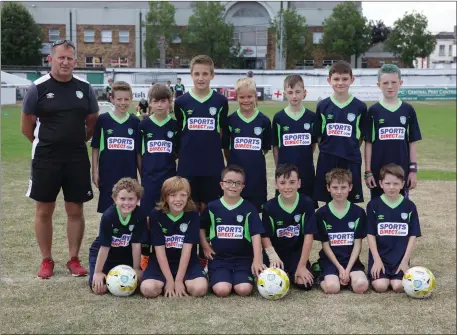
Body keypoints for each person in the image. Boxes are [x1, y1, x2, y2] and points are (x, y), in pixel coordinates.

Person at [21, 39, 99, 279]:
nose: (65, 62)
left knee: (75, 209)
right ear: (50, 59)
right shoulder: (38, 88)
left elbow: (92, 122)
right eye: (60, 58)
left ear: (75, 61)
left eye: (69, 58)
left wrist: (75, 142)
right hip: (46, 157)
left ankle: (74, 259)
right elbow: (27, 127)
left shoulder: (85, 88)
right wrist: (49, 144)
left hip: (76, 157)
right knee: (44, 209)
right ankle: (47, 260)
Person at [174, 55, 229, 268]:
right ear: (191, 75)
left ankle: (210, 254)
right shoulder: (181, 103)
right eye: (196, 73)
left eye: (205, 73)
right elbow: (179, 134)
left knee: (210, 209)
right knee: (190, 208)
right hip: (188, 165)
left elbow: (222, 135)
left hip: (213, 165)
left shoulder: (221, 102)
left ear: (212, 75)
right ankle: (191, 254)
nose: (201, 78)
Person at [200, 165, 266, 297]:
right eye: (229, 182)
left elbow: (256, 235)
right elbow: (201, 228)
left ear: (243, 186)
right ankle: (212, 273)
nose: (233, 186)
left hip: (243, 259)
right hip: (219, 259)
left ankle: (244, 277)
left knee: (244, 290)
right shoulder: (213, 207)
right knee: (222, 290)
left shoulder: (249, 208)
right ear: (222, 184)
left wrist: (257, 260)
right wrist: (205, 246)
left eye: (237, 183)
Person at [140, 176, 208, 298]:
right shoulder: (156, 215)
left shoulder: (192, 215)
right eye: (173, 195)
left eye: (183, 195)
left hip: (188, 262)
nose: (178, 199)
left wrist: (178, 280)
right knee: (147, 289)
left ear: (188, 196)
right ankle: (165, 282)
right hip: (161, 262)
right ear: (165, 197)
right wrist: (170, 281)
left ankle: (182, 282)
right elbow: (159, 252)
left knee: (200, 289)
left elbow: (187, 251)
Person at [313, 60, 368, 204]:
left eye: (345, 79)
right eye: (336, 79)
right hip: (328, 158)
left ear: (352, 80)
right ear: (329, 80)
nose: (340, 83)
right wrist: (328, 148)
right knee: (328, 198)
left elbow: (362, 134)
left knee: (349, 199)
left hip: (350, 158)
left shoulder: (360, 107)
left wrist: (350, 146)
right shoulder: (323, 106)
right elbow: (319, 134)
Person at [364, 64, 422, 199]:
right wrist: (368, 172)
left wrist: (413, 170)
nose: (390, 86)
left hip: (402, 170)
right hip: (378, 170)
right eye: (385, 83)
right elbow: (368, 143)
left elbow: (412, 142)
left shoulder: (408, 110)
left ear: (400, 83)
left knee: (400, 207)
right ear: (379, 85)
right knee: (378, 207)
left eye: (394, 82)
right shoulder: (373, 111)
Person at [261, 164, 317, 291]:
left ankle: (306, 268)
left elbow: (309, 235)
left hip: (296, 253)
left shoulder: (307, 203)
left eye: (292, 182)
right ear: (276, 184)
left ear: (299, 183)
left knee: (305, 284)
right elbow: (264, 235)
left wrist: (302, 266)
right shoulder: (269, 207)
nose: (287, 187)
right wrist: (272, 255)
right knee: (271, 286)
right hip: (276, 253)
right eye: (282, 182)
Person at [366, 163, 421, 293]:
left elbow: (413, 235)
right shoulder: (373, 205)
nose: (391, 187)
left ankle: (397, 272)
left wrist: (405, 261)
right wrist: (377, 260)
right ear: (381, 184)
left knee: (398, 286)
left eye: (396, 184)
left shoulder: (409, 206)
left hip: (399, 258)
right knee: (380, 286)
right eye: (388, 183)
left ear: (402, 184)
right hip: (380, 257)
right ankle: (380, 271)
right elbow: (370, 234)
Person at [314, 168, 369, 294]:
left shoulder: (358, 213)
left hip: (351, 261)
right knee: (332, 288)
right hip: (330, 261)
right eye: (335, 187)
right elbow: (325, 245)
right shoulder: (322, 213)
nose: (339, 191)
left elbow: (358, 244)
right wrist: (339, 268)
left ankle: (348, 278)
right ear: (328, 188)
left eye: (343, 187)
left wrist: (348, 269)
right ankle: (320, 276)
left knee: (361, 286)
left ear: (350, 187)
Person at [88, 178, 146, 294]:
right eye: (122, 199)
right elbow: (104, 247)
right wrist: (98, 272)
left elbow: (136, 244)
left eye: (131, 199)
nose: (126, 203)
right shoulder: (108, 216)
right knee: (100, 289)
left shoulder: (139, 215)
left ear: (138, 200)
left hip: (126, 254)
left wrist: (136, 268)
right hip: (106, 255)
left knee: (138, 285)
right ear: (115, 199)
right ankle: (97, 271)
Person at [222, 77, 272, 211]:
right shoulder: (230, 121)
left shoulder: (264, 121)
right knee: (234, 208)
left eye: (249, 96)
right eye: (242, 97)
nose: (246, 100)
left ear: (256, 97)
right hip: (236, 174)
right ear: (236, 97)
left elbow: (266, 148)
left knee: (255, 211)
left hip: (257, 174)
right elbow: (226, 148)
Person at [91, 81, 141, 213]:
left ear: (131, 99)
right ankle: (107, 234)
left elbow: (138, 153)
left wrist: (142, 174)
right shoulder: (103, 120)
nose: (123, 102)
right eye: (119, 99)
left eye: (126, 99)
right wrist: (94, 172)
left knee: (129, 208)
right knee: (108, 211)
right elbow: (95, 148)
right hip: (108, 174)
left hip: (129, 174)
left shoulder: (135, 122)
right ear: (111, 99)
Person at [272, 75, 318, 202]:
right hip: (285, 171)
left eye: (298, 92)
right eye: (290, 92)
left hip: (306, 170)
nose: (294, 96)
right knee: (284, 204)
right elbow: (276, 146)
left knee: (307, 204)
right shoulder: (279, 118)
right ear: (284, 94)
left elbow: (312, 144)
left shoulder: (312, 117)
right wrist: (279, 168)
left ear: (304, 93)